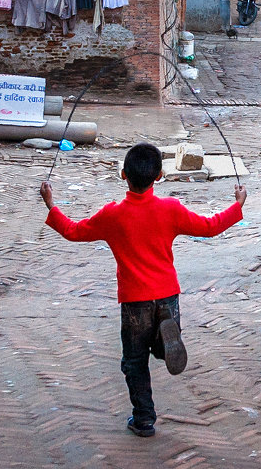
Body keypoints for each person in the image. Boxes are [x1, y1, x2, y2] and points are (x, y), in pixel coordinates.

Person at [39, 142, 247, 438]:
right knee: (158, 342)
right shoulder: (171, 209)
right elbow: (210, 227)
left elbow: (73, 231)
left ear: (123, 175)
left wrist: (51, 204)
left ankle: (144, 418)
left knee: (134, 362)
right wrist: (237, 205)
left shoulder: (112, 215)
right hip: (167, 294)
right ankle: (164, 342)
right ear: (160, 176)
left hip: (135, 301)